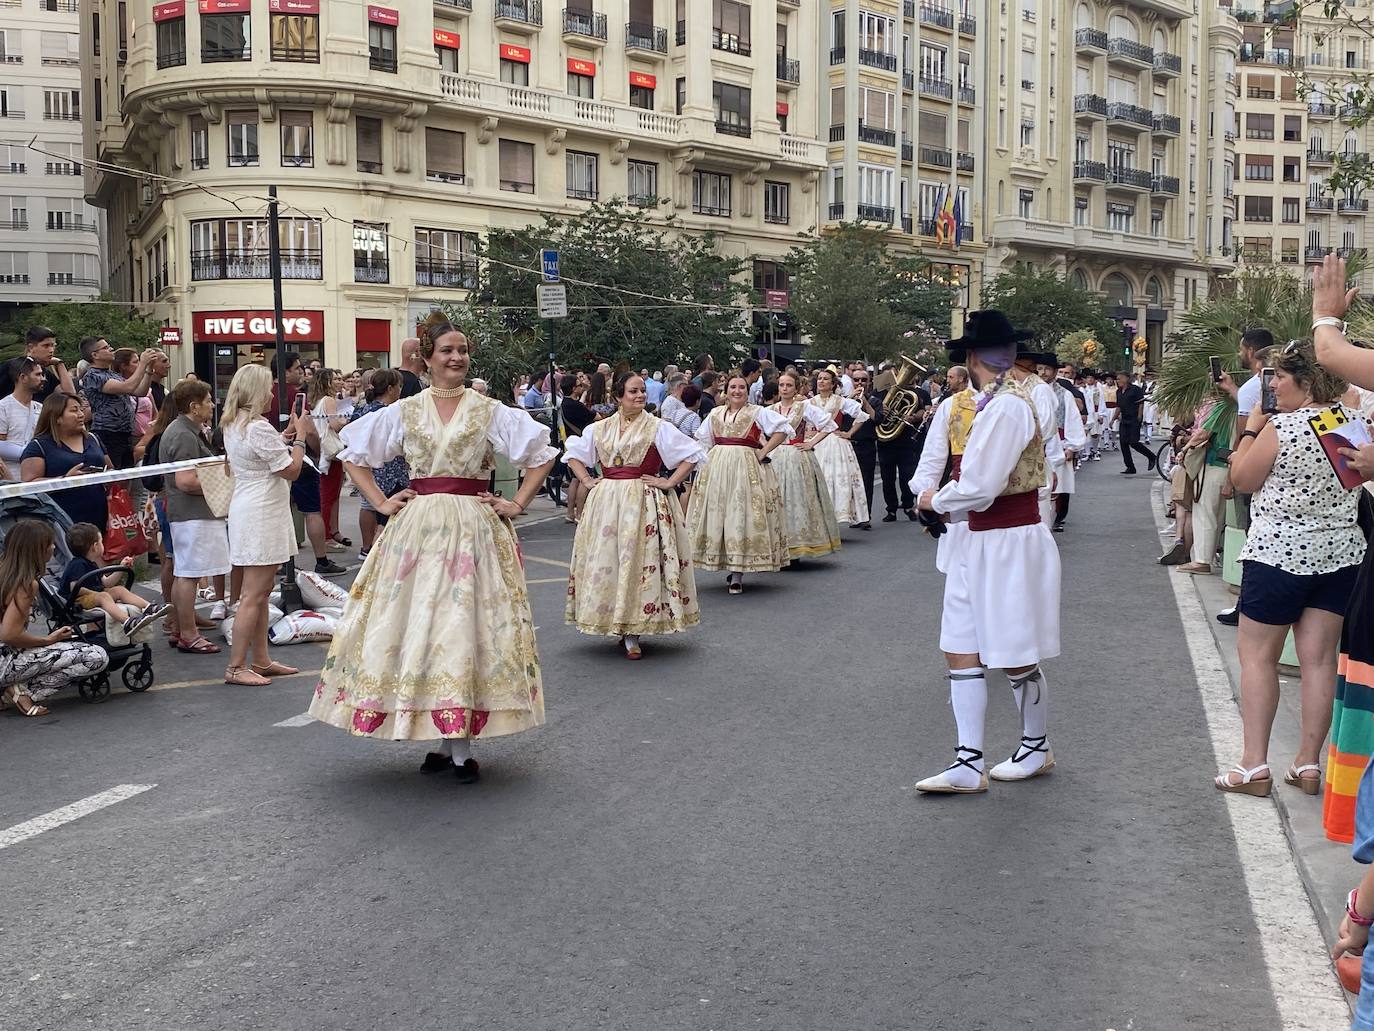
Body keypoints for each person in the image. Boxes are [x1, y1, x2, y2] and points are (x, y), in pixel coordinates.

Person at [307, 322, 557, 785]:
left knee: (463, 628)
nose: (456, 358)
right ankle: (446, 738)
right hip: (418, 530)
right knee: (421, 626)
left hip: (474, 529)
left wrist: (517, 502)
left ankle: (456, 743)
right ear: (427, 357)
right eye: (447, 350)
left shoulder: (490, 410)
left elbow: (541, 454)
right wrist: (382, 502)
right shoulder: (405, 411)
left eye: (462, 350)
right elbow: (351, 454)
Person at [913, 311, 1061, 794]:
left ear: (971, 357)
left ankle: (1035, 746)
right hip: (978, 539)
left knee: (1015, 652)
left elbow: (979, 486)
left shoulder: (1006, 407)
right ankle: (968, 760)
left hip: (1006, 539)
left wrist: (937, 501)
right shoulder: (993, 402)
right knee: (960, 644)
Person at [1214, 337, 1366, 796]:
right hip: (1339, 556)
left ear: (1305, 381)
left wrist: (1250, 431)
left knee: (1257, 657)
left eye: (1279, 376)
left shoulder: (1284, 427)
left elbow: (1241, 479)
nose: (1272, 384)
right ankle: (1307, 763)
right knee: (1319, 661)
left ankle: (1253, 764)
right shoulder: (1354, 423)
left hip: (1278, 555)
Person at [565, 374, 703, 658]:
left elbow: (692, 453)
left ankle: (633, 630)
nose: (640, 396)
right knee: (609, 560)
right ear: (618, 396)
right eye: (633, 391)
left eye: (642, 391)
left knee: (639, 561)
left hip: (643, 500)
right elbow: (573, 454)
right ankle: (615, 619)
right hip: (607, 501)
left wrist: (668, 481)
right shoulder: (599, 428)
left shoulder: (658, 427)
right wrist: (588, 480)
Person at [221, 364, 312, 686]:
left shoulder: (234, 423)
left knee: (258, 594)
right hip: (263, 511)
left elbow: (254, 458)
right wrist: (300, 438)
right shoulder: (256, 427)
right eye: (268, 388)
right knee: (253, 595)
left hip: (250, 506)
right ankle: (235, 667)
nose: (273, 393)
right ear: (256, 392)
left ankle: (260, 659)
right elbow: (291, 470)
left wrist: (282, 438)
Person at [687, 374, 791, 594]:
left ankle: (737, 573)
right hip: (717, 468)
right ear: (726, 390)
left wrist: (763, 451)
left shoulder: (758, 412)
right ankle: (725, 560)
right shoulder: (715, 413)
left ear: (747, 390)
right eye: (733, 387)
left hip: (746, 468)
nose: (737, 391)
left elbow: (783, 430)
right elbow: (703, 441)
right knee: (721, 515)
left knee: (740, 514)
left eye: (741, 387)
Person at [0, 521, 108, 716]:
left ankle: (11, 686)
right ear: (38, 550)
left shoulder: (4, 571)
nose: (54, 547)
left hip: (6, 655)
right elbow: (8, 634)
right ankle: (22, 692)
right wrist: (48, 640)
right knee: (96, 656)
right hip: (4, 658)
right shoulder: (25, 584)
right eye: (50, 543)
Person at [161, 379, 234, 655]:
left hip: (190, 514)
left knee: (186, 572)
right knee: (189, 575)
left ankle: (182, 627)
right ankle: (189, 634)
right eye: (207, 400)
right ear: (194, 406)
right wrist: (224, 484)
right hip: (192, 514)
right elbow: (186, 481)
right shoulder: (183, 435)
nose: (212, 405)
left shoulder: (185, 431)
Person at [1215, 328, 1277, 625]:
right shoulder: (1254, 387)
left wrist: (1232, 478)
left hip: (1254, 471)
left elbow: (1243, 436)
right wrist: (1232, 391)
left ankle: (1245, 605)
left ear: (1251, 352)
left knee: (1252, 540)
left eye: (1241, 348)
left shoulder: (1256, 388)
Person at [271, 352, 344, 577]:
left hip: (273, 456)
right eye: (296, 369)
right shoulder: (298, 396)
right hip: (297, 456)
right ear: (285, 371)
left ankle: (281, 560)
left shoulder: (266, 395)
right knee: (312, 510)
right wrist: (315, 452)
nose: (301, 374)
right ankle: (321, 559)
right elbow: (309, 429)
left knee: (280, 510)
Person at [767, 371, 842, 559]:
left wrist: (810, 443)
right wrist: (764, 447)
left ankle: (797, 546)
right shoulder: (770, 410)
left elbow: (830, 425)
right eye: (782, 385)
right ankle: (776, 545)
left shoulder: (803, 408)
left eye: (789, 385)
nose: (784, 389)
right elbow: (756, 428)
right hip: (775, 456)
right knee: (775, 499)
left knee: (797, 500)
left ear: (796, 388)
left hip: (797, 457)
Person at [20, 392, 110, 530]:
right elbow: (28, 485)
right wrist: (64, 480)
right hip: (61, 523)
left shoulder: (93, 438)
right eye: (74, 410)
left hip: (99, 518)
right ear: (57, 417)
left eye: (81, 409)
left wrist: (108, 477)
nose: (81, 414)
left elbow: (110, 468)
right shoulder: (39, 446)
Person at [61, 522, 164, 639]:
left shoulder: (92, 564)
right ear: (95, 546)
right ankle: (127, 622)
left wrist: (121, 568)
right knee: (104, 596)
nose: (103, 544)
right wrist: (97, 594)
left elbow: (106, 582)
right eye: (101, 542)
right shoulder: (77, 564)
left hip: (92, 596)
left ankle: (149, 607)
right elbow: (75, 588)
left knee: (119, 590)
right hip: (77, 600)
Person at [348, 369, 407, 563]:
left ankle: (369, 551)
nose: (400, 390)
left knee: (371, 509)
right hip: (390, 473)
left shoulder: (363, 407)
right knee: (385, 520)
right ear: (390, 388)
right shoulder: (386, 413)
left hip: (371, 472)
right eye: (399, 387)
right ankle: (377, 558)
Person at [79, 337, 159, 470]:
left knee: (126, 476)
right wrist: (143, 364)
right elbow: (127, 387)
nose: (111, 349)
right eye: (105, 348)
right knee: (113, 477)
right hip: (108, 433)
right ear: (95, 355)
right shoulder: (92, 376)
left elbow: (141, 391)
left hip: (125, 434)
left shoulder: (113, 375)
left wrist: (149, 370)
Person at [1177, 390, 1233, 575]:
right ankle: (1209, 556)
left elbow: (1203, 433)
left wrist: (1184, 449)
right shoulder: (1239, 407)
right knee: (1217, 515)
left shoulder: (1221, 408)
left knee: (1204, 513)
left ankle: (1202, 560)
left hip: (1214, 462)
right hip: (1230, 465)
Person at [811, 367, 873, 528]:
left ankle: (834, 518)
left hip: (836, 443)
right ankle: (819, 520)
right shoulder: (809, 402)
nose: (821, 381)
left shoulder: (840, 401)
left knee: (836, 480)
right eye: (819, 379)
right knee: (818, 479)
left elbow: (861, 416)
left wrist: (849, 433)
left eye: (825, 379)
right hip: (816, 442)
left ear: (833, 384)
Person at [1042, 361, 1088, 533]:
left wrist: (1071, 446)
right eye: (1040, 368)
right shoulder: (1029, 391)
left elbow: (1072, 420)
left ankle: (1058, 517)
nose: (1043, 372)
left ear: (1054, 372)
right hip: (1036, 446)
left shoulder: (1064, 394)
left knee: (1060, 485)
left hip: (1059, 443)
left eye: (1047, 368)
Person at [309, 368, 351, 553]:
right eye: (335, 379)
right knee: (329, 495)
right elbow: (334, 424)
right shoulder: (329, 400)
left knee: (330, 494)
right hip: (331, 452)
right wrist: (347, 420)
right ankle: (327, 536)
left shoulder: (318, 401)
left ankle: (332, 532)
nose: (340, 381)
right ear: (327, 382)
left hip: (323, 450)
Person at [876, 376, 929, 523]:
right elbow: (871, 412)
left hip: (906, 440)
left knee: (907, 476)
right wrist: (881, 409)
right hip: (885, 441)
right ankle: (891, 509)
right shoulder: (878, 393)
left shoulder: (913, 393)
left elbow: (921, 412)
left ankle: (907, 505)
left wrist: (911, 416)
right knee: (887, 478)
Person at [559, 372, 598, 523]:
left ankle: (570, 513)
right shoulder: (575, 406)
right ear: (574, 388)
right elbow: (597, 418)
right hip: (582, 444)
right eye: (579, 385)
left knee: (575, 479)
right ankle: (580, 514)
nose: (581, 387)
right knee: (585, 479)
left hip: (570, 443)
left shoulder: (565, 403)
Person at [0, 326, 75, 402]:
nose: (51, 350)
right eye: (46, 346)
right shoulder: (11, 366)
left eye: (53, 345)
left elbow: (69, 396)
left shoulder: (46, 373)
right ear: (31, 347)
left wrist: (60, 364)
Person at [0, 356, 46, 478]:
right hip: (10, 478)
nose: (43, 379)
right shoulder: (3, 407)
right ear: (22, 378)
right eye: (38, 375)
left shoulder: (41, 408)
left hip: (36, 477)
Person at [850, 367, 882, 522]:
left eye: (863, 380)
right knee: (849, 483)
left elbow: (877, 419)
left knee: (866, 482)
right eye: (856, 380)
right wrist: (850, 400)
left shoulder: (875, 401)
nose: (860, 383)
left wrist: (865, 403)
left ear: (869, 382)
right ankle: (853, 516)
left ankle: (865, 517)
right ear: (851, 381)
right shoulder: (845, 400)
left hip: (867, 445)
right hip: (849, 445)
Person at [1110, 371, 1156, 474]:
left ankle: (1151, 456)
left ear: (1126, 378)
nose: (1118, 381)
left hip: (1134, 418)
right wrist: (1113, 419)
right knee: (1123, 443)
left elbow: (1141, 403)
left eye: (1120, 378)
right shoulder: (1119, 391)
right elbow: (1119, 406)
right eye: (1117, 379)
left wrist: (1139, 415)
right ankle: (1130, 466)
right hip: (1124, 419)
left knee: (1134, 442)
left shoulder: (1135, 390)